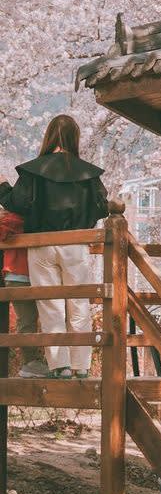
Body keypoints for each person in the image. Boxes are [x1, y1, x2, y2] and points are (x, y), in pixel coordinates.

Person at [0, 115, 108, 379]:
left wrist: (2, 187)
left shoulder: (33, 171)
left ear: (48, 136)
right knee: (79, 304)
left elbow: (16, 203)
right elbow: (102, 207)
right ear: (75, 138)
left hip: (42, 244)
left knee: (51, 305)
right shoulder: (88, 174)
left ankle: (60, 366)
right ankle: (81, 365)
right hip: (76, 244)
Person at [0, 207, 48, 378]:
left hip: (39, 272)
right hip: (19, 274)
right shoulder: (12, 217)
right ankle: (31, 362)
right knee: (27, 320)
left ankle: (44, 362)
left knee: (47, 317)